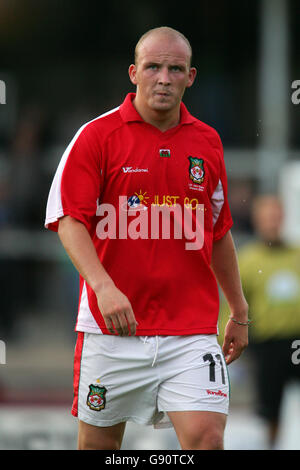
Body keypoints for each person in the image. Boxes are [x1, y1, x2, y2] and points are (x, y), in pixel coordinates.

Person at [44, 26, 249, 450]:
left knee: (207, 440)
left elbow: (218, 231)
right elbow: (68, 219)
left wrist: (239, 309)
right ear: (134, 73)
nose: (164, 78)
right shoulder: (96, 136)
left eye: (176, 69)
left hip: (191, 332)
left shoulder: (207, 141)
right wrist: (103, 286)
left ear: (190, 77)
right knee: (100, 449)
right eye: (153, 67)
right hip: (112, 332)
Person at [220, 194, 300, 449]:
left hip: (296, 340)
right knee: (270, 407)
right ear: (258, 220)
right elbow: (233, 303)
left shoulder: (296, 255)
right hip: (267, 344)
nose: (272, 223)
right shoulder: (247, 259)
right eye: (267, 217)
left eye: (276, 216)